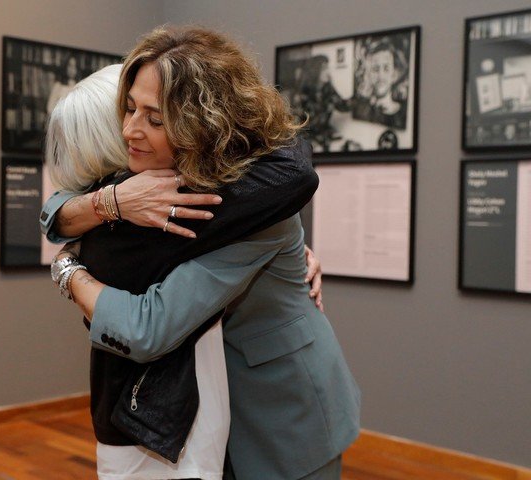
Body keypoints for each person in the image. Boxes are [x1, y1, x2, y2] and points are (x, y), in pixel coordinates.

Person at [44, 26, 360, 480]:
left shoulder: (250, 206)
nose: (131, 129)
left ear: (201, 124)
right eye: (130, 109)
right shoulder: (150, 189)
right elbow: (58, 206)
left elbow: (146, 327)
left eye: (155, 118)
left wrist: (67, 269)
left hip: (280, 413)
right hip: (205, 411)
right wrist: (103, 206)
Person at [353, 37, 408, 130]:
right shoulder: (362, 110)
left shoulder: (403, 112)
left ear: (394, 73)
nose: (381, 76)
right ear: (368, 73)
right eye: (375, 69)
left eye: (386, 68)